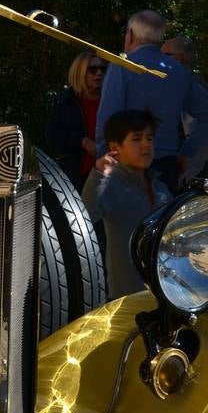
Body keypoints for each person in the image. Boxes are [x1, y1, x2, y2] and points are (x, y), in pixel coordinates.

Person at [95, 11, 208, 193]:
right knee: (161, 219)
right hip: (166, 166)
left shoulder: (122, 68)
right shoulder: (179, 72)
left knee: (121, 220)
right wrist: (187, 152)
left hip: (126, 164)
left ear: (130, 35)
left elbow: (106, 120)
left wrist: (102, 159)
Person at [82, 109, 172, 300]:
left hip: (166, 293)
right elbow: (85, 216)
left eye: (149, 138)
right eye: (137, 139)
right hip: (126, 297)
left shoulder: (160, 188)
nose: (146, 145)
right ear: (115, 147)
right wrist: (98, 175)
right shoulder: (109, 185)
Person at [161, 35, 208, 184]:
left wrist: (185, 154)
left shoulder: (190, 85)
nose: (158, 61)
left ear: (178, 59)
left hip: (190, 174)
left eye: (163, 56)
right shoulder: (190, 83)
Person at [45, 52, 106, 186]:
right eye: (93, 69)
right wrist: (81, 141)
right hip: (74, 176)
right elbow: (52, 137)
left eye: (102, 68)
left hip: (106, 174)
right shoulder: (64, 101)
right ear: (80, 71)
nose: (99, 73)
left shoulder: (110, 100)